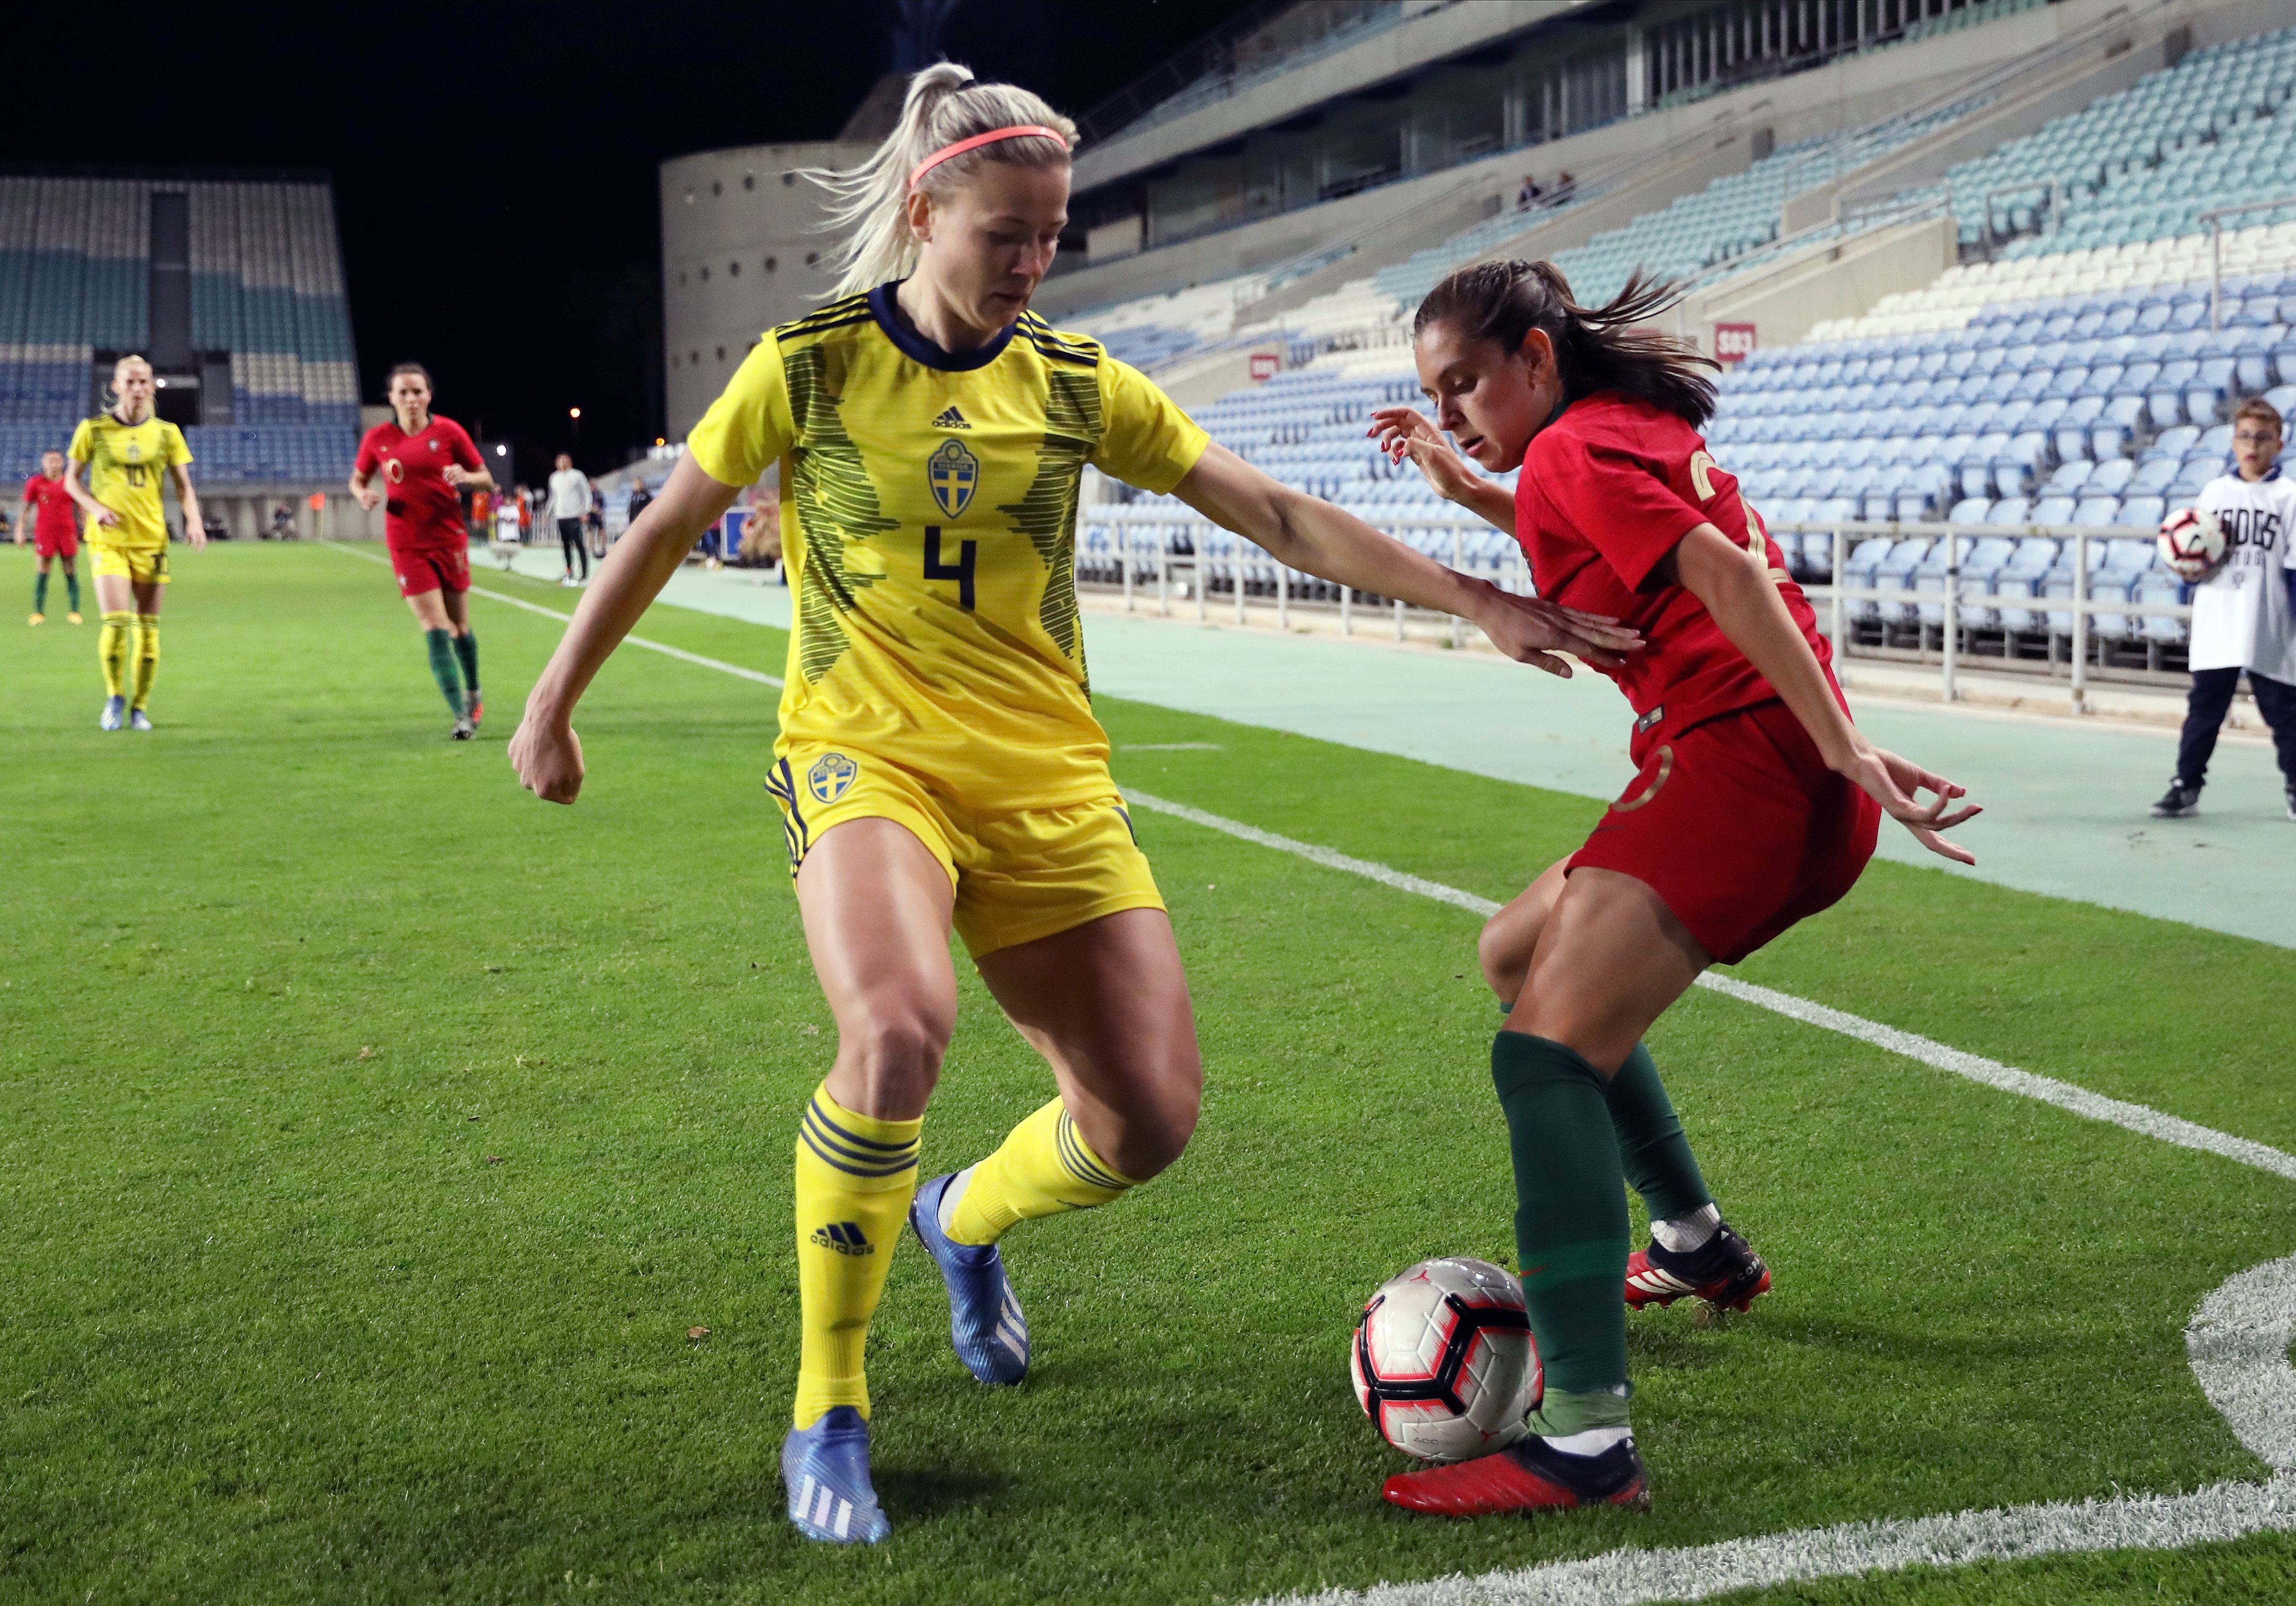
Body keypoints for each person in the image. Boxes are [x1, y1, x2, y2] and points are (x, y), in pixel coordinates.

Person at [507, 65, 1630, 1549]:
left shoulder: (1077, 383)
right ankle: (827, 1406)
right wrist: (549, 701)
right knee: (896, 1027)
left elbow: (1274, 511)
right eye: (1003, 234)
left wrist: (1472, 595)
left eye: (1050, 236)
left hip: (1044, 781)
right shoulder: (812, 364)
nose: (1030, 262)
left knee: (1146, 1120)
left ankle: (961, 1217)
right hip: (865, 758)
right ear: (927, 210)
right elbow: (661, 527)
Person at [1368, 259, 1977, 1517]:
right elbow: (1628, 550)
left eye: (1469, 383)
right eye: (1439, 394)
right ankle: (1695, 1245)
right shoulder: (1607, 435)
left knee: (1540, 1060)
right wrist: (1468, 490)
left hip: (1744, 770)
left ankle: (1585, 1439)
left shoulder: (1572, 453)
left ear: (1537, 356)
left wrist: (1835, 745)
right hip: (1758, 765)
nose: (1460, 406)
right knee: (1511, 953)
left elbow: (1731, 585)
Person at [2151, 396, 2296, 823]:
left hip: (2267, 618)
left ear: (2278, 445)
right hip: (2218, 616)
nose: (2252, 446)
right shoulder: (2215, 492)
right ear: (2233, 442)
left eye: (2262, 438)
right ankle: (2185, 786)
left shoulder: (2291, 498)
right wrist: (2188, 574)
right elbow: (2196, 551)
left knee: (2283, 710)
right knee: (2204, 709)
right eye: (2245, 437)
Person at [351, 362, 495, 739]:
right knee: (435, 626)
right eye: (404, 392)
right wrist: (362, 493)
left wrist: (466, 477)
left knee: (460, 629)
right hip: (406, 543)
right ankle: (460, 715)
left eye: (418, 391)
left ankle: (474, 690)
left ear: (429, 395)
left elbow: (487, 479)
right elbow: (357, 477)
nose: (411, 398)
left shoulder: (448, 431)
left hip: (449, 539)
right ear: (391, 398)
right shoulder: (377, 438)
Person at [65, 354, 204, 731]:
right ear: (117, 386)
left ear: (152, 385)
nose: (138, 388)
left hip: (152, 542)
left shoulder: (167, 433)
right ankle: (115, 697)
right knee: (115, 623)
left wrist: (193, 519)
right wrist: (94, 506)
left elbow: (184, 487)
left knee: (148, 629)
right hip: (108, 541)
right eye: (130, 382)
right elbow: (70, 481)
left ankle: (140, 708)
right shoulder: (92, 430)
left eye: (144, 381)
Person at [21, 448, 84, 625]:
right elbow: (26, 509)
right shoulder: (35, 483)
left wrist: (85, 528)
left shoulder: (69, 483)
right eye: (50, 461)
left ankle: (74, 612)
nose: (53, 464)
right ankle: (39, 612)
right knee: (43, 571)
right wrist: (20, 530)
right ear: (43, 463)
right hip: (45, 533)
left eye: (57, 461)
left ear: (62, 463)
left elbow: (81, 508)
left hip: (67, 532)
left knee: (70, 570)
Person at [547, 452, 593, 584]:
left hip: (574, 515)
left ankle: (584, 573)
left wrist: (586, 511)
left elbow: (587, 493)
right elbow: (553, 497)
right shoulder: (554, 477)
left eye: (565, 460)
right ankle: (569, 571)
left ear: (570, 462)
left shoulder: (577, 476)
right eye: (560, 461)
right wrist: (548, 513)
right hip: (561, 516)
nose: (562, 463)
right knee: (566, 546)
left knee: (579, 544)